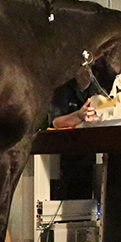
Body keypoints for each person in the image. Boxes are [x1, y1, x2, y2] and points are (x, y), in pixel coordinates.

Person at [47, 65, 102, 200]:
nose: (89, 70)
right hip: (64, 158)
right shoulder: (62, 89)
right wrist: (78, 116)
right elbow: (55, 123)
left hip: (89, 156)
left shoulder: (97, 91)